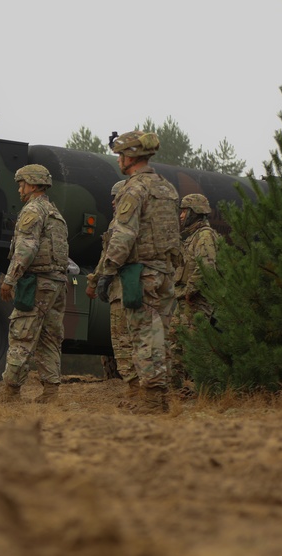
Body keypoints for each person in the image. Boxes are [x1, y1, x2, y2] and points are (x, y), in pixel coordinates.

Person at [96, 131, 180, 413]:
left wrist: (107, 272)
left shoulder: (133, 189)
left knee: (145, 336)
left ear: (130, 157)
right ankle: (161, 398)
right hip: (165, 273)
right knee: (162, 337)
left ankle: (153, 402)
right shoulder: (167, 188)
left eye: (120, 155)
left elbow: (123, 235)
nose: (119, 160)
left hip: (140, 274)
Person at [0, 164, 69, 404]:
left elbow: (27, 248)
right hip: (57, 283)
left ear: (33, 185)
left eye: (21, 184)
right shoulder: (54, 212)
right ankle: (51, 392)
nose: (19, 189)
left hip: (37, 283)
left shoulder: (32, 210)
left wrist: (10, 279)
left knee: (21, 335)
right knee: (49, 337)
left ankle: (10, 392)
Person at [87, 180, 138, 394]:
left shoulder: (120, 223)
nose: (113, 202)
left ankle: (136, 390)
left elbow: (108, 256)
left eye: (116, 197)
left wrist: (96, 280)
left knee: (121, 340)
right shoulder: (139, 221)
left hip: (122, 287)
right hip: (133, 286)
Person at [169, 193, 220, 386]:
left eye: (184, 211)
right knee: (175, 343)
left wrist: (191, 290)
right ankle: (175, 389)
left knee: (195, 346)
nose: (181, 215)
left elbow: (207, 266)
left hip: (196, 302)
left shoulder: (205, 236)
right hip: (185, 301)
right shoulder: (193, 237)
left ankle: (208, 391)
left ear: (195, 212)